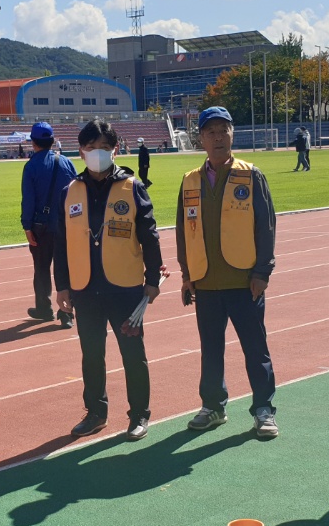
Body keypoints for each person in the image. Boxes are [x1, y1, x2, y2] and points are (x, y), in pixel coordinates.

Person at [55, 120, 163, 439]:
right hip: (85, 287)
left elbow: (150, 236)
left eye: (104, 147)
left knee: (132, 354)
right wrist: (62, 285)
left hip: (124, 287)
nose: (97, 153)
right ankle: (96, 413)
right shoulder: (70, 191)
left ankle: (139, 414)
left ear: (115, 149)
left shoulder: (132, 187)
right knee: (91, 355)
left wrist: (152, 279)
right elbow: (61, 243)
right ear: (80, 151)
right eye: (90, 148)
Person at [177, 106, 279, 438]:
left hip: (244, 281)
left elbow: (266, 226)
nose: (218, 137)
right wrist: (186, 274)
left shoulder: (250, 175)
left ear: (232, 134)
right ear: (201, 138)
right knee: (211, 350)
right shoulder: (190, 180)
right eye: (211, 132)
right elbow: (183, 230)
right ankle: (213, 407)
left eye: (224, 130)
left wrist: (262, 272)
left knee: (255, 348)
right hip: (205, 282)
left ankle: (263, 409)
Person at [20, 121, 78, 328]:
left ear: (33, 142)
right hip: (65, 225)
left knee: (42, 269)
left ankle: (44, 308)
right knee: (66, 268)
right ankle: (67, 312)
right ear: (52, 141)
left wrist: (27, 226)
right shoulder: (67, 163)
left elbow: (28, 200)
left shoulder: (31, 166)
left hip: (41, 226)